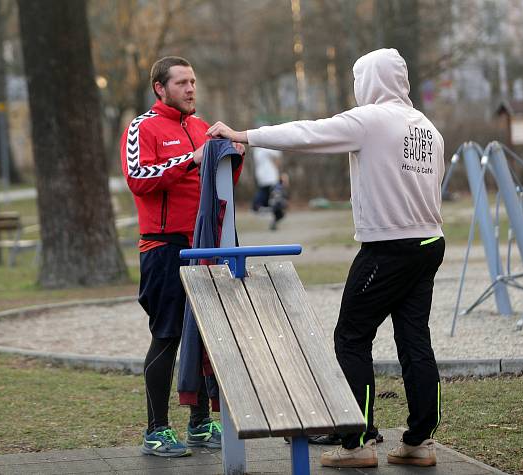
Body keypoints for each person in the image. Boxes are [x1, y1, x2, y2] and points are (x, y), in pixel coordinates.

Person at [207, 48, 445, 469]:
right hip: (428, 243)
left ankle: (357, 441)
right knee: (414, 340)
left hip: (388, 249)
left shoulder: (371, 119)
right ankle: (420, 440)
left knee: (351, 336)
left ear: (369, 80)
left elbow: (307, 133)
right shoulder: (427, 128)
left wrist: (245, 135)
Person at [120, 56, 245, 458]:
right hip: (163, 247)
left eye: (193, 81)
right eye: (182, 83)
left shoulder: (200, 126)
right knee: (169, 334)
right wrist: (188, 160)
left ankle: (200, 424)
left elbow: (217, 187)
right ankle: (156, 431)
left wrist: (233, 159)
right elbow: (138, 179)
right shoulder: (143, 126)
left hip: (205, 245)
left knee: (207, 337)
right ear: (160, 87)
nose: (191, 89)